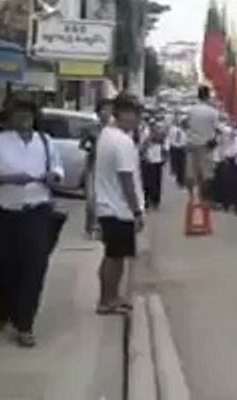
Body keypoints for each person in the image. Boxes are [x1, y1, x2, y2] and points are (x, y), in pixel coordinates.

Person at [0, 96, 65, 348]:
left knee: (33, 269)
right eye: (19, 114)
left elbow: (58, 168)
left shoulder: (44, 142)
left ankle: (25, 324)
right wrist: (5, 178)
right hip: (5, 212)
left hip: (36, 212)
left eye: (29, 114)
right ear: (10, 118)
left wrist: (53, 176)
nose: (25, 119)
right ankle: (2, 311)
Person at [93, 94, 145, 318]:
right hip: (118, 208)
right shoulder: (122, 141)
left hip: (108, 204)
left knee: (115, 256)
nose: (137, 120)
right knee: (114, 258)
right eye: (135, 115)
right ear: (123, 113)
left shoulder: (107, 135)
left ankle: (112, 296)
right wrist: (137, 211)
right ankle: (107, 300)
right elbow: (127, 179)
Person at [79, 98, 112, 238]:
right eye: (103, 110)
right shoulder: (92, 129)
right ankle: (90, 227)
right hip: (92, 168)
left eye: (109, 110)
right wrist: (91, 149)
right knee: (91, 200)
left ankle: (102, 228)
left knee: (105, 201)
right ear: (98, 113)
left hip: (108, 170)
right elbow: (81, 145)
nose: (106, 113)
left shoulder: (114, 131)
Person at [184, 86, 220, 205]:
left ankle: (191, 197)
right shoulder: (213, 112)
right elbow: (216, 128)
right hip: (206, 145)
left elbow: (186, 125)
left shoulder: (191, 110)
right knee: (207, 174)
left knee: (190, 172)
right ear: (208, 96)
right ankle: (203, 197)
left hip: (192, 143)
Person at [141, 123, 167, 210]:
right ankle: (147, 201)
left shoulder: (160, 137)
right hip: (148, 162)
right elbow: (142, 148)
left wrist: (164, 158)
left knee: (156, 182)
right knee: (147, 183)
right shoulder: (144, 133)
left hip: (157, 162)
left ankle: (155, 201)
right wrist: (144, 156)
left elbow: (164, 147)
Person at [167, 118, 188, 186]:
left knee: (182, 165)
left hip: (182, 149)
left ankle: (182, 181)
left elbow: (186, 141)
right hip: (175, 148)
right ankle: (179, 179)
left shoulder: (186, 131)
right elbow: (169, 137)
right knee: (177, 164)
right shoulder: (173, 129)